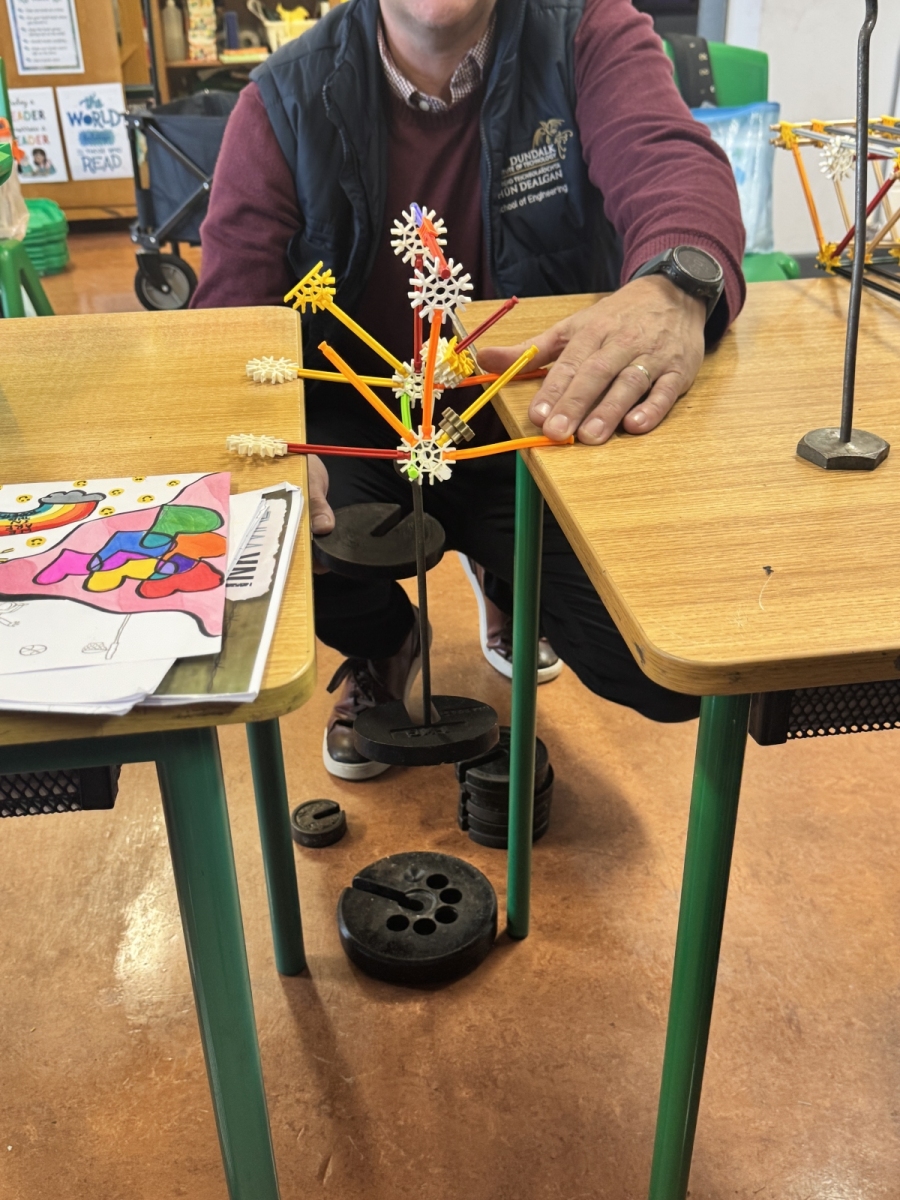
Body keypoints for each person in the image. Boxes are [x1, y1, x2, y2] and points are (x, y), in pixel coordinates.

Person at [192, 0, 745, 779]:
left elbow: (668, 160)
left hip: (532, 421)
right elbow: (229, 322)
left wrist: (676, 282)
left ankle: (505, 578)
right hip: (366, 429)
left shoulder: (586, 32)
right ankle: (385, 644)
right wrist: (269, 446)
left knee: (662, 668)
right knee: (282, 537)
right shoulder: (282, 98)